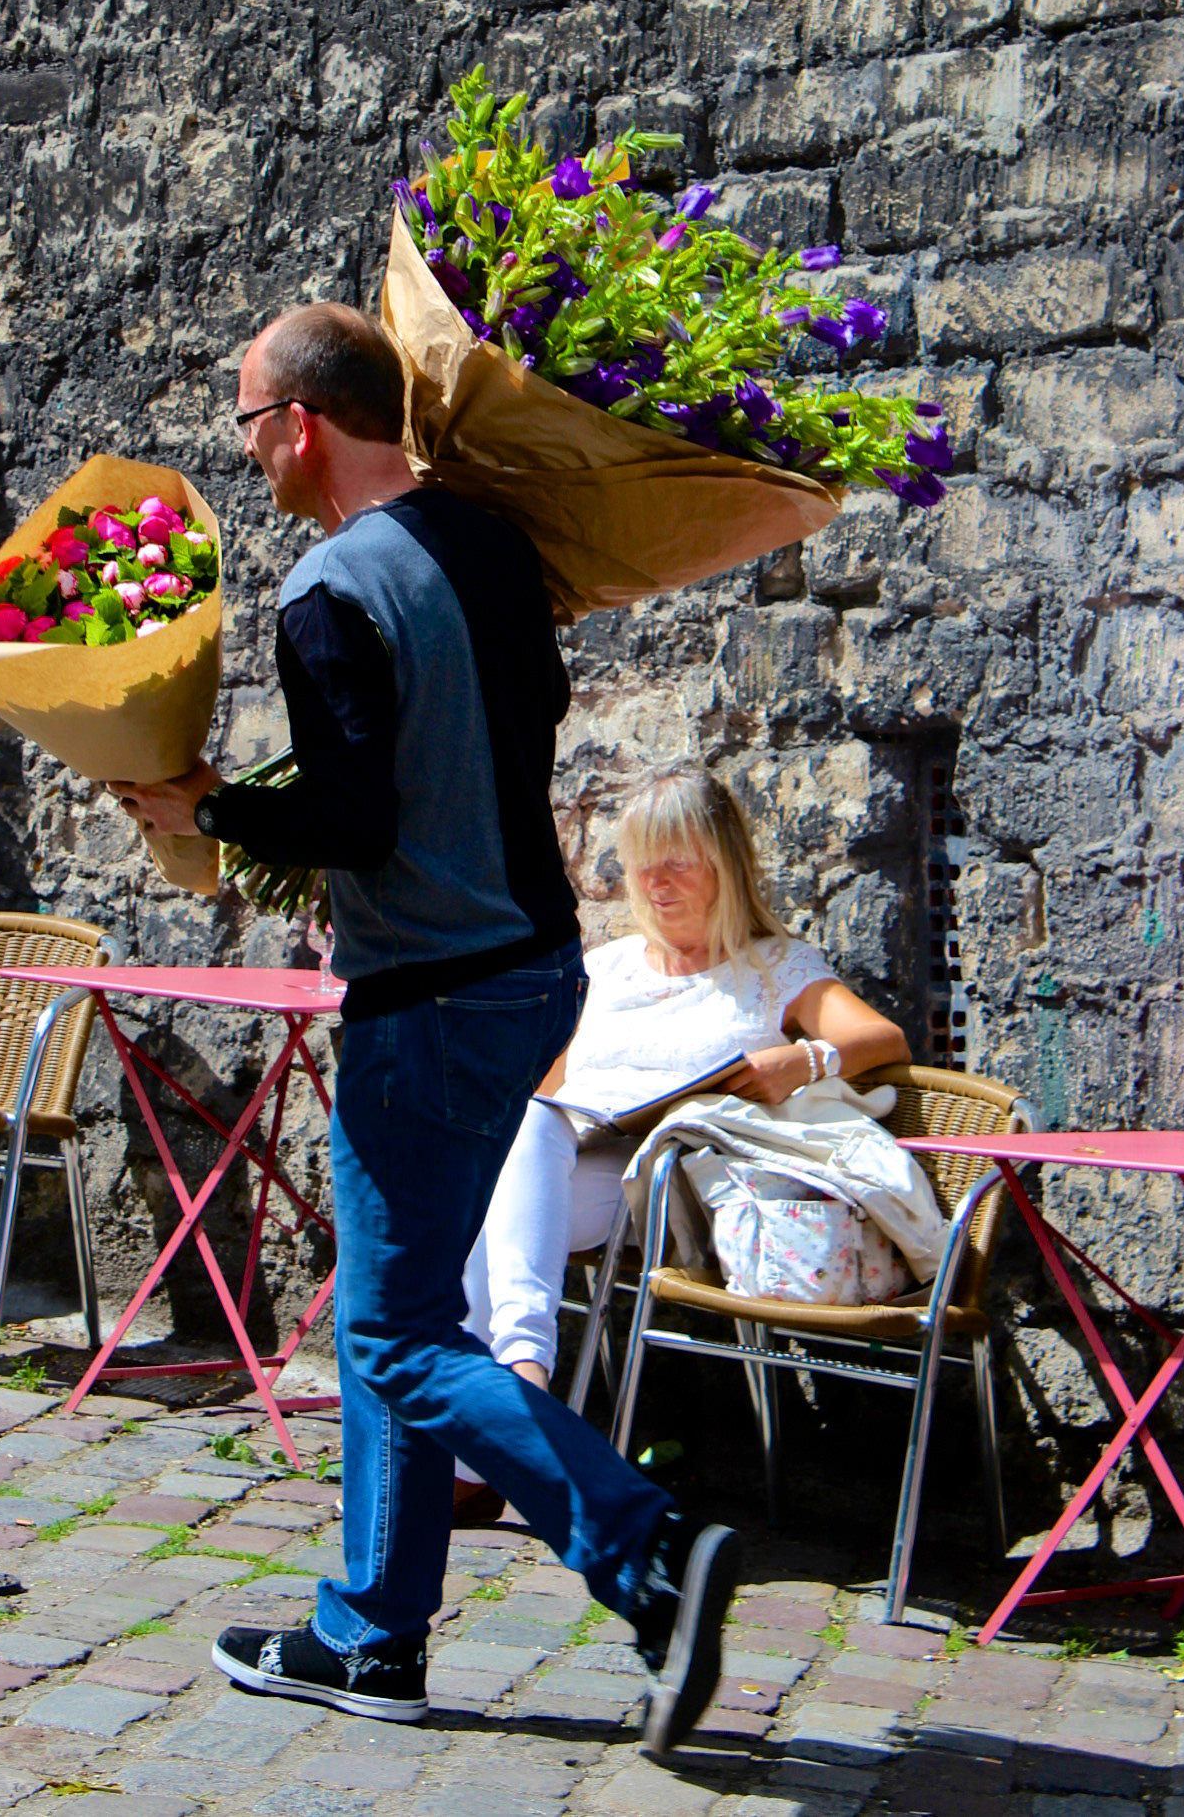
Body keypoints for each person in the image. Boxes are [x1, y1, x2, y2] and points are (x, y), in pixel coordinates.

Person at [111, 303, 738, 1752]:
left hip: (434, 995)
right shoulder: (496, 543)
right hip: (536, 969)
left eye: (250, 421)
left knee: (393, 1333)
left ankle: (644, 1544)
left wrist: (208, 804)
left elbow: (354, 819)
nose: (249, 450)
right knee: (404, 1308)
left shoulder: (331, 588)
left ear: (302, 424)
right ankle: (371, 1632)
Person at [456, 764, 910, 1516]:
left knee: (496, 1189)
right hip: (588, 1168)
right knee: (496, 1176)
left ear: (723, 862)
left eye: (677, 862)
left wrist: (801, 1060)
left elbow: (882, 1038)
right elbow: (547, 1086)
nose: (655, 882)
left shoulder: (775, 967)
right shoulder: (607, 970)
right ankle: (504, 1413)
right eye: (643, 864)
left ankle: (503, 1413)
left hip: (681, 1190)